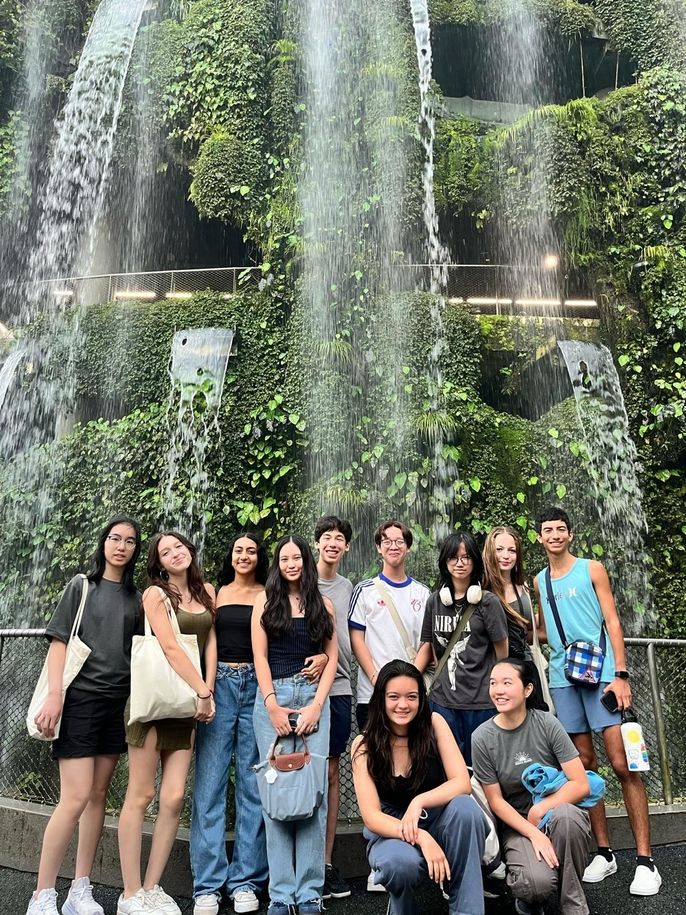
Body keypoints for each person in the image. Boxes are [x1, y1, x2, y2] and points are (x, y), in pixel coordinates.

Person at [533, 506, 660, 896]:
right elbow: (541, 627)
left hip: (602, 675)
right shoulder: (539, 581)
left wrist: (621, 674)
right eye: (547, 530)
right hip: (562, 678)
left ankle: (645, 860)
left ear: (570, 534)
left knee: (622, 763)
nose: (554, 535)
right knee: (583, 767)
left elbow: (613, 621)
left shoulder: (591, 569)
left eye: (560, 529)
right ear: (539, 538)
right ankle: (604, 853)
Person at [26, 516, 142, 915]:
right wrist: (56, 696)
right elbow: (59, 643)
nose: (120, 546)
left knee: (96, 798)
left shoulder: (137, 598)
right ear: (104, 543)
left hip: (115, 705)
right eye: (114, 538)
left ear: (134, 550)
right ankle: (42, 895)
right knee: (73, 798)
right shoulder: (82, 586)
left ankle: (80, 888)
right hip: (78, 702)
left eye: (129, 541)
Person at [117, 531, 217, 915]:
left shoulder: (206, 589)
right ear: (158, 563)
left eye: (180, 547)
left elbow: (210, 642)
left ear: (190, 552)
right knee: (141, 795)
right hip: (156, 700)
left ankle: (152, 885)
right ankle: (130, 893)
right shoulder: (155, 594)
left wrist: (207, 688)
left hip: (187, 704)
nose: (176, 553)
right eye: (166, 551)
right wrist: (202, 692)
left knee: (173, 797)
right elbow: (170, 645)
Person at [351, 660, 486, 915]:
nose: (403, 705)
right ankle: (404, 907)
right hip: (392, 829)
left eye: (411, 697)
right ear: (380, 699)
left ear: (420, 699)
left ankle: (467, 910)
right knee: (399, 865)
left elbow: (461, 782)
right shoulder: (363, 745)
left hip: (437, 817)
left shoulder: (434, 724)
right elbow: (371, 816)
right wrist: (421, 837)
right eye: (394, 697)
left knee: (465, 809)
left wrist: (419, 802)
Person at [251, 534, 338, 915]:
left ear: (306, 561)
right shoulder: (264, 603)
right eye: (284, 558)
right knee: (276, 795)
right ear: (278, 564)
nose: (291, 564)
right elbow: (260, 658)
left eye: (297, 557)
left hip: (313, 700)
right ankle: (281, 893)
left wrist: (318, 706)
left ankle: (309, 891)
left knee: (313, 794)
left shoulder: (324, 604)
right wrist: (272, 706)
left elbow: (332, 659)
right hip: (273, 699)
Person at [472, 658, 592, 915]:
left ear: (528, 689)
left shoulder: (547, 723)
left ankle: (572, 905)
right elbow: (495, 801)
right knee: (536, 885)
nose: (498, 690)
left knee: (568, 816)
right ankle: (530, 897)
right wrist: (533, 831)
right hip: (517, 823)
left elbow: (580, 784)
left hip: (556, 815)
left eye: (507, 682)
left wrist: (544, 807)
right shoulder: (482, 737)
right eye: (493, 683)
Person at [189, 533, 270, 915]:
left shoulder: (268, 593)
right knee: (210, 783)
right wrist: (205, 687)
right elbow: (206, 642)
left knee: (254, 785)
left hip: (257, 684)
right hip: (219, 684)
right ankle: (207, 885)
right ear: (231, 555)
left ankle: (246, 882)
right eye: (238, 549)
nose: (244, 555)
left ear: (259, 558)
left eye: (251, 551)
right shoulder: (214, 593)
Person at [415, 531, 508, 766]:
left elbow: (502, 652)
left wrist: (498, 690)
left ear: (475, 561)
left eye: (466, 557)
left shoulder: (488, 602)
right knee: (448, 767)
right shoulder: (435, 601)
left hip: (481, 703)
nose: (460, 563)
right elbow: (428, 646)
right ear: (445, 562)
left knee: (482, 768)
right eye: (453, 557)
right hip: (443, 702)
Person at [349, 519, 430, 734]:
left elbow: (427, 642)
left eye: (399, 541)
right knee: (374, 758)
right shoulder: (364, 591)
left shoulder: (423, 593)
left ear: (408, 547)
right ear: (378, 547)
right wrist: (377, 678)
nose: (393, 546)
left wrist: (410, 679)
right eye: (387, 542)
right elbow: (356, 639)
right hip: (372, 693)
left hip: (411, 697)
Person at [314, 516, 354, 900]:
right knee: (298, 771)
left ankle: (325, 863)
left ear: (345, 548)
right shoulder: (298, 579)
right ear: (317, 544)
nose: (332, 543)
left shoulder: (350, 588)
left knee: (329, 773)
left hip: (340, 688)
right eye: (327, 537)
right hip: (300, 690)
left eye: (339, 539)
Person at [482, 525, 548, 710]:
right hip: (494, 670)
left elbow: (530, 629)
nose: (506, 556)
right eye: (499, 550)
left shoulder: (524, 588)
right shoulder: (480, 590)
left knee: (534, 723)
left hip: (525, 667)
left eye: (512, 550)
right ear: (489, 552)